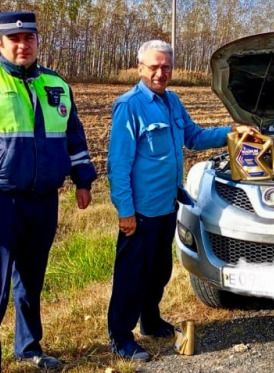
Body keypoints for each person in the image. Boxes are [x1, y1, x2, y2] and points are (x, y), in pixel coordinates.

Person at [0, 11, 97, 372]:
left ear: (38, 41)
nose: (22, 45)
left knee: (31, 282)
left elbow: (74, 138)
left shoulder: (56, 84)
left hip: (44, 202)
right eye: (14, 39)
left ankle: (28, 347)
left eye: (29, 38)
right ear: (0, 43)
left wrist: (83, 180)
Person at [106, 40, 257, 361]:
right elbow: (118, 164)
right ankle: (120, 337)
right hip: (141, 211)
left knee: (158, 271)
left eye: (166, 67)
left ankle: (150, 321)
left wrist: (232, 132)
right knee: (132, 275)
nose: (160, 73)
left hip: (167, 204)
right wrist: (125, 210)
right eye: (154, 67)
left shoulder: (172, 101)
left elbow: (194, 137)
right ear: (140, 68)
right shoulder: (129, 105)